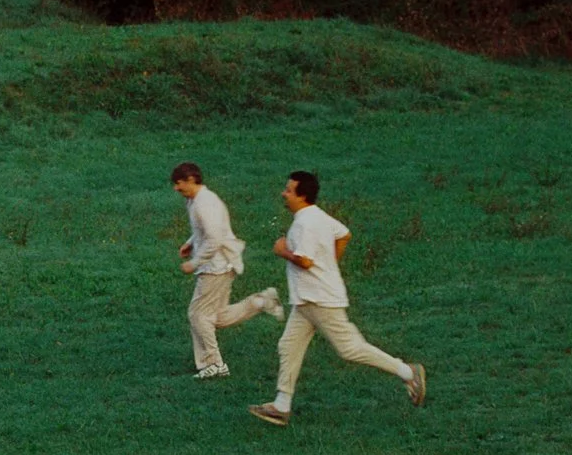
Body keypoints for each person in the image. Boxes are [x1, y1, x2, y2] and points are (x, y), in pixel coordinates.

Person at [250, 169, 425, 426]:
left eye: (288, 190)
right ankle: (281, 406)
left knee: (350, 348)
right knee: (288, 345)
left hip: (320, 300)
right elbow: (344, 233)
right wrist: (331, 263)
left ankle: (410, 373)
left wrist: (283, 251)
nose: (283, 193)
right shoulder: (316, 216)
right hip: (307, 301)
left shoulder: (304, 224)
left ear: (302, 196)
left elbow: (306, 261)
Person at [170, 162, 281, 376]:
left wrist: (194, 262)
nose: (176, 188)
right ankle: (261, 302)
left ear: (191, 180)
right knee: (216, 316)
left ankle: (214, 364)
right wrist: (191, 242)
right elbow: (206, 231)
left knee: (198, 314)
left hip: (216, 266)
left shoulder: (205, 203)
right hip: (219, 264)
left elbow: (214, 238)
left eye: (179, 183)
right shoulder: (195, 201)